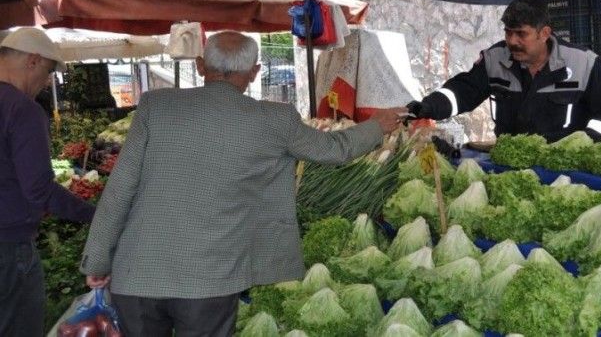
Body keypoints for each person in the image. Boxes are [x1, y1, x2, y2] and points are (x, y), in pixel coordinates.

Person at [80, 31, 406, 336]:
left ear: (200, 65)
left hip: (137, 277)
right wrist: (377, 125)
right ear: (255, 72)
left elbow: (119, 189)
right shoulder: (275, 119)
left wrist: (97, 259)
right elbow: (336, 149)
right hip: (209, 283)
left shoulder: (155, 106)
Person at [407, 0, 601, 142]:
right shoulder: (494, 59)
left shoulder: (584, 63)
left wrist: (585, 142)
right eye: (508, 33)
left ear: (544, 33)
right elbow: (462, 92)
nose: (512, 41)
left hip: (564, 173)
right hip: (508, 167)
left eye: (521, 34)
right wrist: (428, 106)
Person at [0, 28, 96, 336]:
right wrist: (94, 214)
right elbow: (39, 190)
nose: (45, 82)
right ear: (33, 60)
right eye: (46, 73)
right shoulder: (22, 109)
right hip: (8, 247)